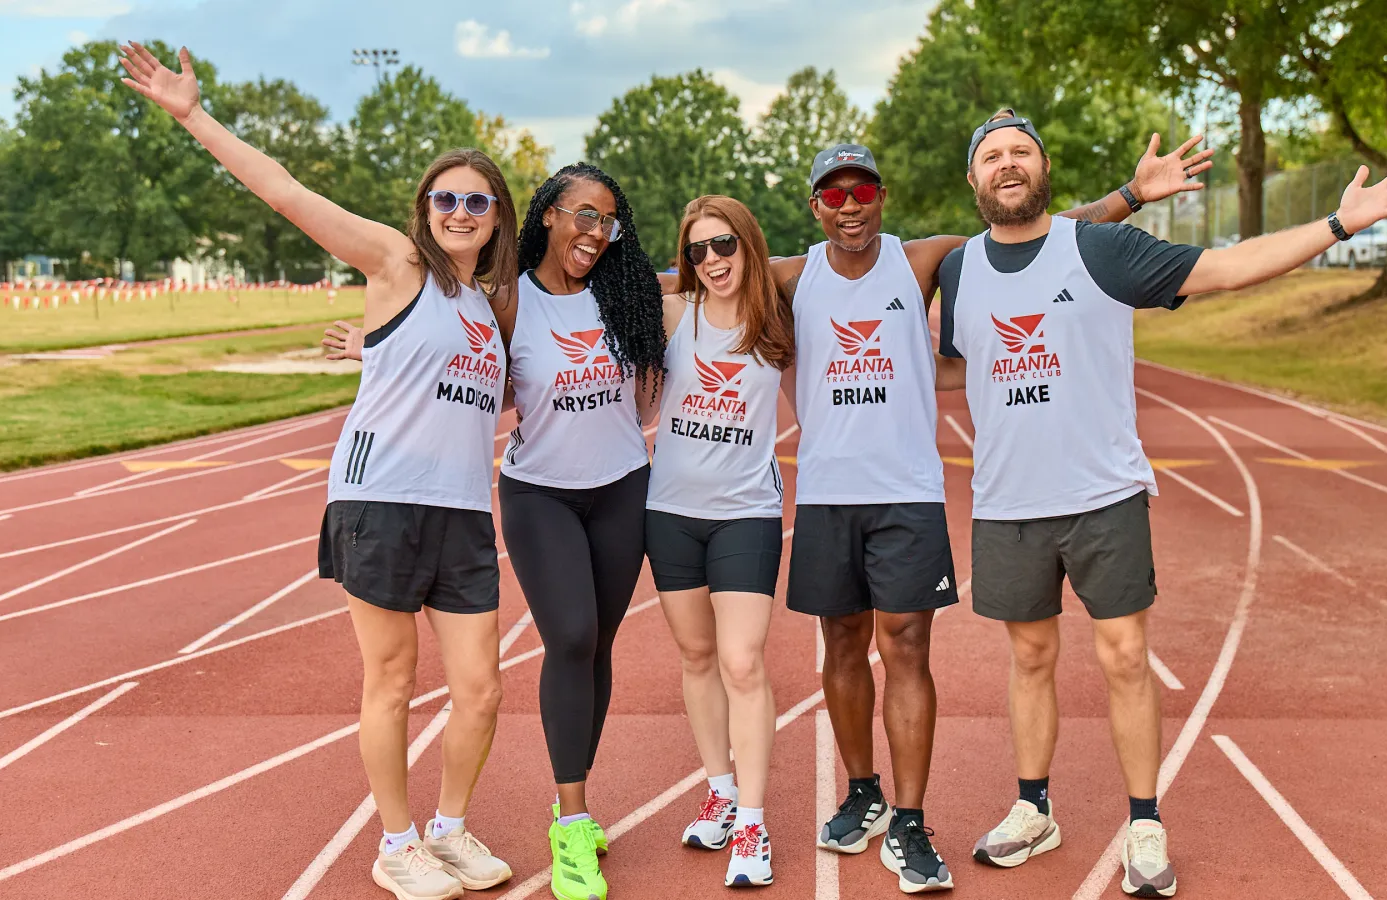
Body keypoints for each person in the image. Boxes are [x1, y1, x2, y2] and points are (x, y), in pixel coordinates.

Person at [936, 109, 1387, 898]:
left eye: (1021, 150)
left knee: (1125, 659)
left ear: (1045, 166)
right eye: (992, 155)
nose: (1007, 163)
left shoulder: (1099, 248)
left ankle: (1144, 820)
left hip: (1103, 498)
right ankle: (1034, 808)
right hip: (1006, 505)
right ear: (974, 179)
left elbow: (1229, 268)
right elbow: (952, 360)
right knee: (1029, 659)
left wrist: (1339, 222)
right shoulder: (957, 272)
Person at [121, 42, 516, 900]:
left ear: (495, 218)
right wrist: (192, 116)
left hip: (460, 512)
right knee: (395, 680)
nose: (458, 211)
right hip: (378, 502)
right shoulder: (396, 261)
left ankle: (449, 831)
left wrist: (368, 354)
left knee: (481, 690)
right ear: (425, 209)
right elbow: (285, 191)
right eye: (444, 197)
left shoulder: (491, 306)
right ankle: (397, 842)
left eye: (474, 201)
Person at [768, 135, 1210, 894]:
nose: (850, 206)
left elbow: (1033, 234)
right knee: (841, 645)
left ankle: (911, 818)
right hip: (828, 494)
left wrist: (1130, 198)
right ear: (814, 205)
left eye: (863, 191)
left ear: (883, 197)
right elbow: (698, 274)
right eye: (834, 195)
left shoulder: (925, 260)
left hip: (907, 488)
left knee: (907, 647)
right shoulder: (791, 275)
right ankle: (864, 793)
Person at [498, 163, 668, 900]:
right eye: (584, 216)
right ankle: (572, 825)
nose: (596, 234)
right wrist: (375, 351)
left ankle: (574, 794)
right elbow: (450, 352)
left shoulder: (622, 294)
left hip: (623, 487)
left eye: (609, 222)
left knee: (598, 643)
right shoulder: (507, 301)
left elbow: (749, 271)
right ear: (548, 215)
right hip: (540, 494)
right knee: (569, 637)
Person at [645, 196, 793, 888]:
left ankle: (755, 824)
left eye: (724, 245)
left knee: (741, 661)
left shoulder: (778, 315)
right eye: (697, 250)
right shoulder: (677, 313)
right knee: (697, 657)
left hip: (746, 514)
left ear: (748, 245)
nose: (712, 261)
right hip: (670, 511)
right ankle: (721, 792)